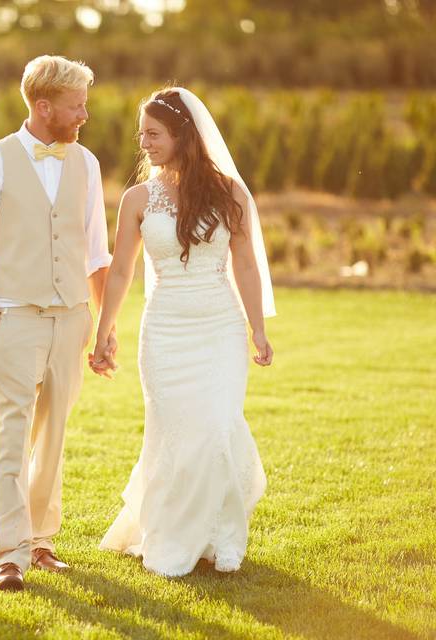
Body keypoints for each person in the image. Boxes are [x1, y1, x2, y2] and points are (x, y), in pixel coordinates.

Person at [90, 87, 276, 577]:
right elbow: (122, 271)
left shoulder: (230, 193)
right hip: (165, 332)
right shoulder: (136, 198)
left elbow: (247, 266)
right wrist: (104, 331)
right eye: (141, 134)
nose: (143, 143)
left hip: (220, 329)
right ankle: (172, 535)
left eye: (153, 134)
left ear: (183, 135)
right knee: (173, 435)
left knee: (216, 428)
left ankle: (221, 534)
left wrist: (258, 331)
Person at [0, 55, 111, 591]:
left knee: (55, 434)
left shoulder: (87, 164)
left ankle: (42, 542)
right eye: (77, 105)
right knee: (12, 435)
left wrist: (103, 324)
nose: (85, 114)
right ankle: (9, 554)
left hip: (72, 319)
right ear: (44, 107)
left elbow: (96, 253)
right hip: (15, 318)